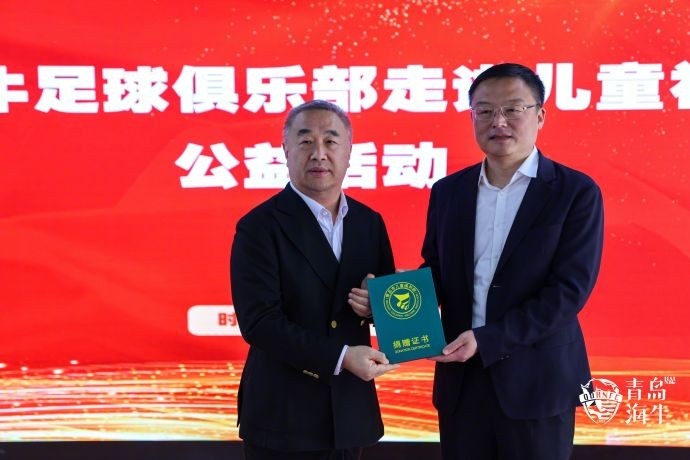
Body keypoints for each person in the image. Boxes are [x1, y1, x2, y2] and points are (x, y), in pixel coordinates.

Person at [422, 63, 604, 459]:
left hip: (538, 382)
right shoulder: (448, 192)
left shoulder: (575, 192)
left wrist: (487, 340)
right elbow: (435, 272)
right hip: (461, 383)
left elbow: (568, 292)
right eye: (484, 110)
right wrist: (395, 301)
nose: (498, 121)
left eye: (513, 109)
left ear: (540, 115)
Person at [230, 99, 398, 460]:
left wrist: (377, 308)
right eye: (306, 141)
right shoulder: (259, 226)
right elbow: (259, 322)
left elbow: (383, 304)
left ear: (349, 151)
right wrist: (341, 357)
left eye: (331, 141)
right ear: (285, 150)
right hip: (283, 413)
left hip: (350, 410)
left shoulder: (369, 223)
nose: (319, 153)